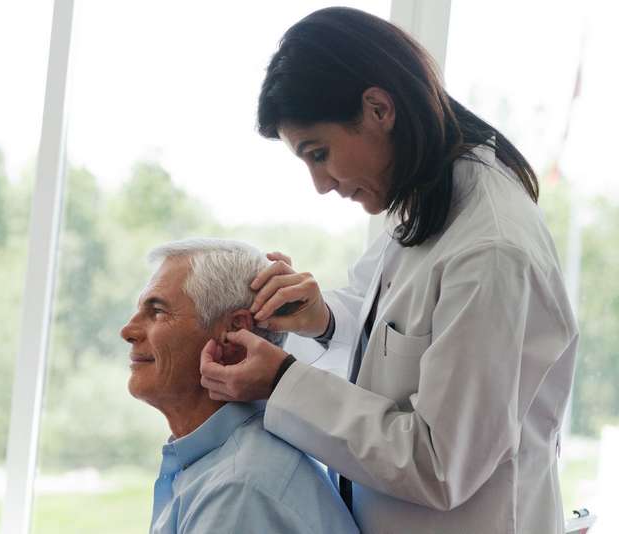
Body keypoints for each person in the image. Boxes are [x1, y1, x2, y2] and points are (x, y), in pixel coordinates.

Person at [199, 7, 578, 534]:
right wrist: (322, 318)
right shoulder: (427, 205)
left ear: (378, 108)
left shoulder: (490, 248)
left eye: (319, 153)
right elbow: (398, 338)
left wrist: (281, 382)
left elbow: (440, 465)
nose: (321, 184)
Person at [120, 238, 359, 534]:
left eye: (157, 311)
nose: (127, 331)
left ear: (234, 332)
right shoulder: (217, 466)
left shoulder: (239, 488)